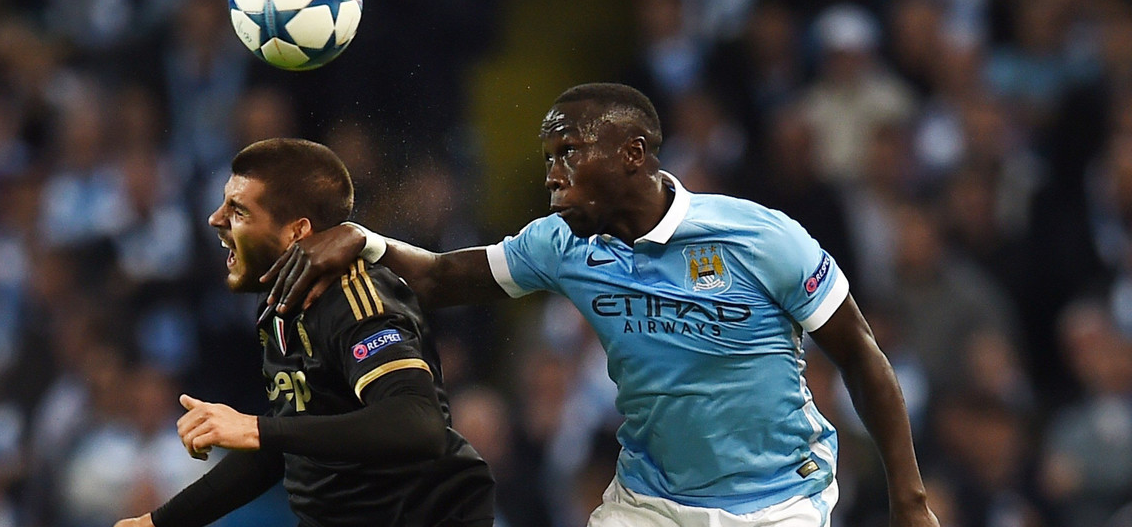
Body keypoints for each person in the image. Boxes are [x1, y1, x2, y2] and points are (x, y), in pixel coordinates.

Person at [266, 83, 939, 526]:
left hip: (774, 502)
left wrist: (908, 498)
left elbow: (863, 359)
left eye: (569, 152)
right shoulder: (562, 244)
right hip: (647, 501)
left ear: (633, 155)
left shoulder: (760, 238)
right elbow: (442, 278)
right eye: (547, 155)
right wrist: (362, 240)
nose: (551, 172)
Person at [113, 138, 495, 527]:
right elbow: (283, 446)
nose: (214, 218)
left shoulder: (355, 297)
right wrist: (160, 522)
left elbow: (418, 422)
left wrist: (258, 428)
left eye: (238, 210)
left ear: (296, 232)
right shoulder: (279, 306)